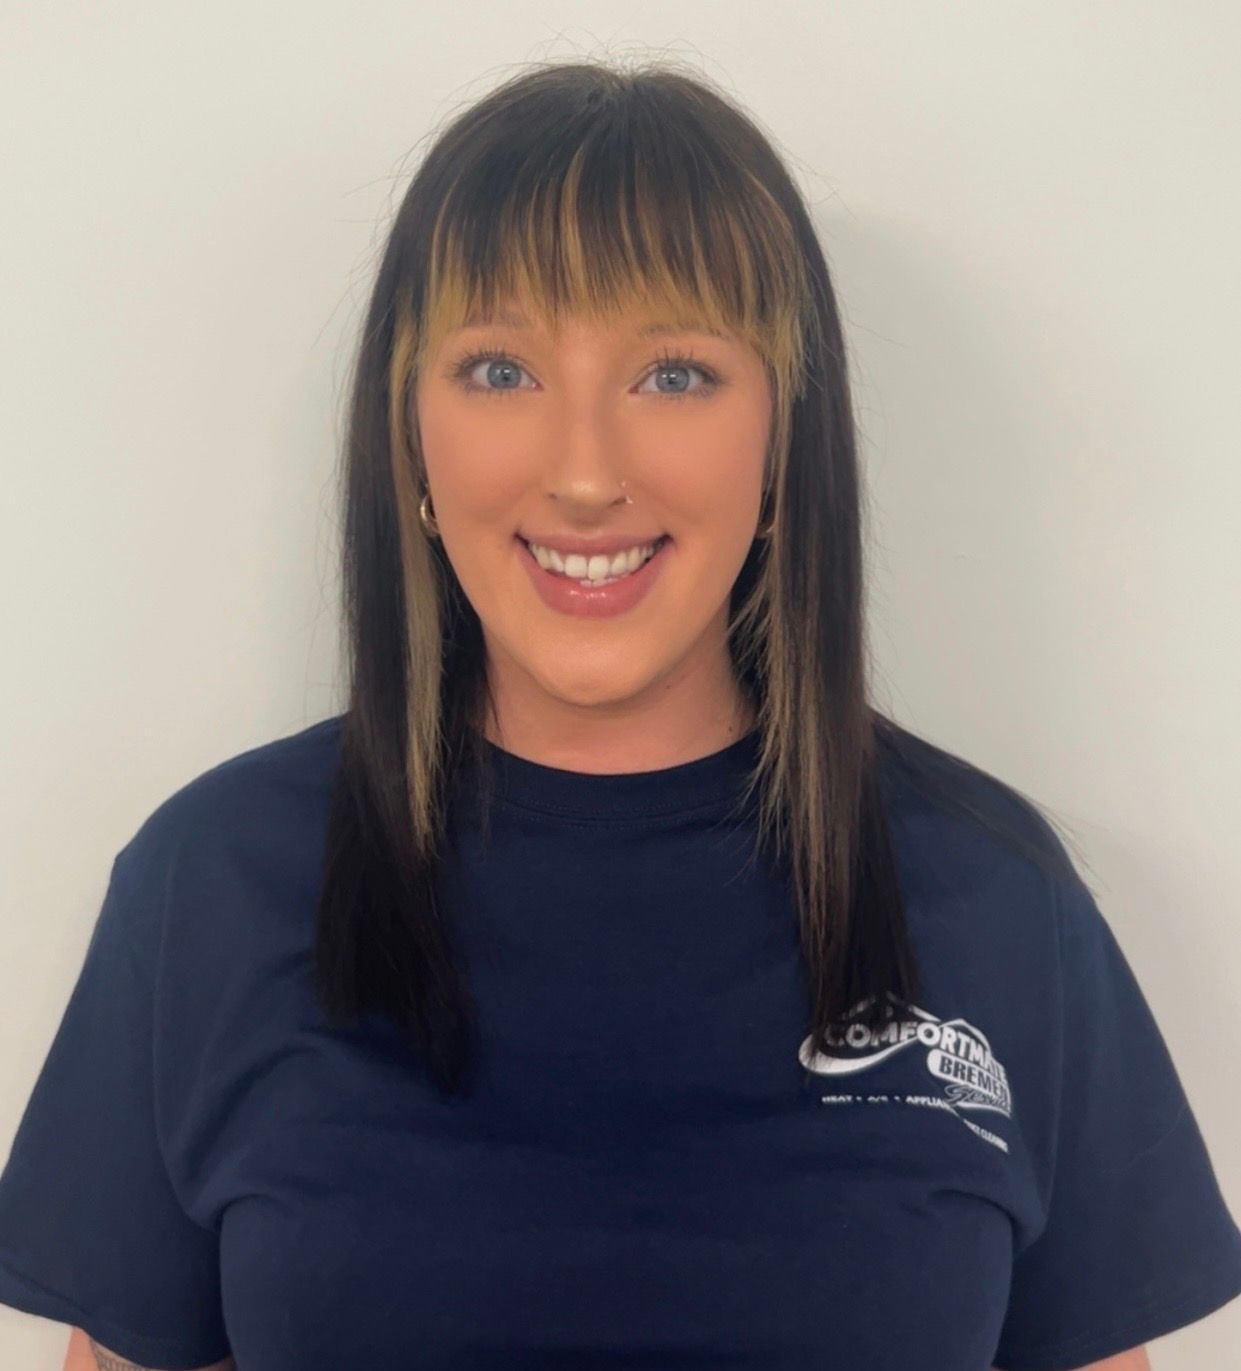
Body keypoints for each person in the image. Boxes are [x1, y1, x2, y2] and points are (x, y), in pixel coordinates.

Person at [1, 58, 1238, 1371]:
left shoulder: (995, 899)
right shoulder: (216, 880)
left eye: (674, 375)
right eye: (496, 368)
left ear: (781, 450)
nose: (585, 470)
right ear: (408, 439)